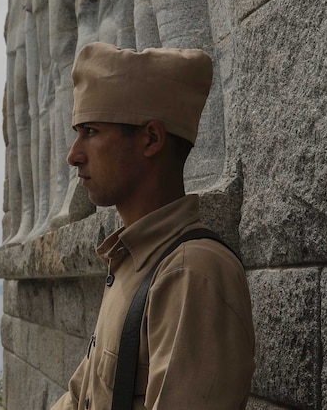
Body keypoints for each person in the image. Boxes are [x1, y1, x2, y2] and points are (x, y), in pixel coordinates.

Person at [50, 43, 255, 409]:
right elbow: (81, 396)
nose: (74, 155)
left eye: (91, 131)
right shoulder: (133, 260)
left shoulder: (191, 272)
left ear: (151, 139)